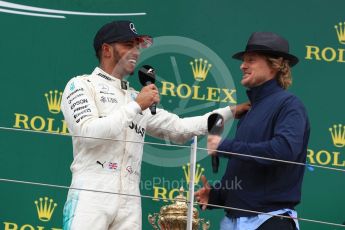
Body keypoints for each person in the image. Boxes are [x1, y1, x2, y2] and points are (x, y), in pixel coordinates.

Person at [61, 20, 250, 230]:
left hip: (130, 199)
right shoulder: (81, 85)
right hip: (91, 192)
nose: (135, 52)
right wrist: (136, 106)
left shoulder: (135, 96)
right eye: (128, 45)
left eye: (137, 46)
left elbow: (180, 129)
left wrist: (231, 111)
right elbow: (89, 135)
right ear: (106, 49)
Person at [195, 32, 310, 230]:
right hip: (234, 221)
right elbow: (249, 173)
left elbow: (283, 151)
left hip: (270, 222)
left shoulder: (290, 105)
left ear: (274, 64)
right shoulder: (249, 110)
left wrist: (225, 146)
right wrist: (216, 196)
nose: (242, 65)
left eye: (251, 60)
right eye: (243, 60)